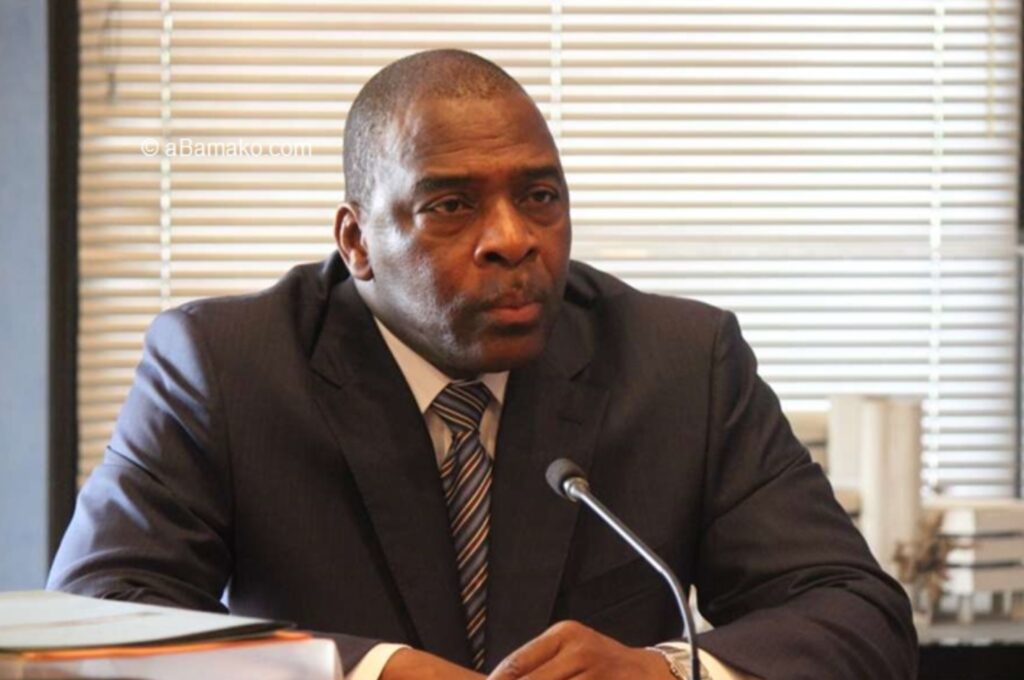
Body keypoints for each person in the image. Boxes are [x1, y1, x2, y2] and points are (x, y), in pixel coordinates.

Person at [49, 50, 917, 679]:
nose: (512, 240)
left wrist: (662, 671)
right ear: (356, 241)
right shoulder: (227, 366)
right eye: (451, 205)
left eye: (539, 197)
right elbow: (91, 622)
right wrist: (364, 672)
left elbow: (857, 613)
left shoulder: (682, 364)